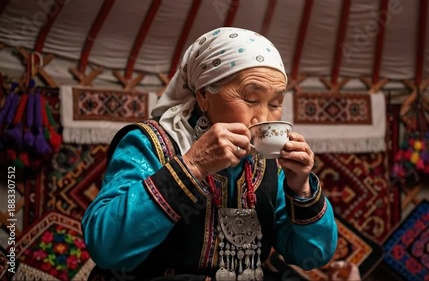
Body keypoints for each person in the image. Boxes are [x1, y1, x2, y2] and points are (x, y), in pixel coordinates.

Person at [82, 27, 338, 281]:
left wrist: (301, 188)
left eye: (275, 104)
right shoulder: (151, 143)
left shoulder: (272, 165)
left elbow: (312, 257)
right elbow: (106, 248)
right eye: (250, 99)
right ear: (204, 95)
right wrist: (193, 165)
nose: (263, 117)